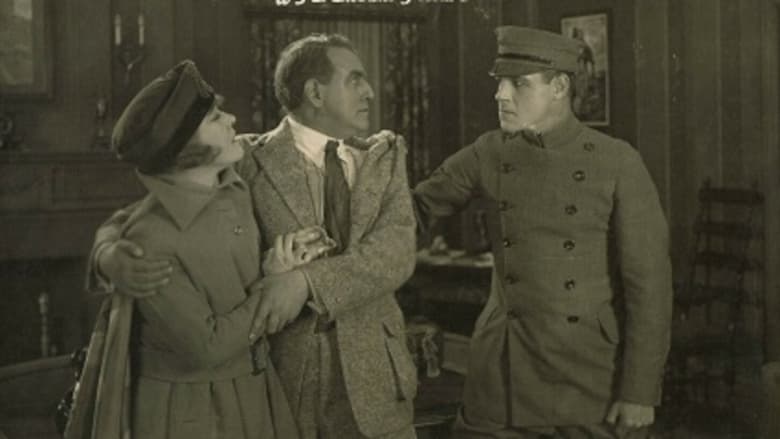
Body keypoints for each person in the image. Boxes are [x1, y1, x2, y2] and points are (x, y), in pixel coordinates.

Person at [88, 34, 418, 439]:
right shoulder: (244, 157)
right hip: (282, 386)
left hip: (377, 386)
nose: (370, 91)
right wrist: (107, 254)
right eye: (355, 79)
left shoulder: (384, 159)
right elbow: (151, 209)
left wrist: (304, 282)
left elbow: (394, 255)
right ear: (315, 93)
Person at [413, 26, 673, 439]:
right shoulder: (490, 152)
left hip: (589, 379)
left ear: (559, 87)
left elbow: (649, 286)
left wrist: (640, 391)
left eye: (519, 83)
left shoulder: (618, 162)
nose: (501, 95)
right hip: (502, 377)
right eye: (500, 82)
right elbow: (415, 210)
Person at [72, 60, 311, 439]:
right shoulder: (148, 244)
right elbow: (208, 347)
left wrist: (104, 249)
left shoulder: (231, 187)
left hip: (254, 393)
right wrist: (274, 286)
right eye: (215, 117)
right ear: (185, 147)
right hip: (193, 413)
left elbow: (127, 215)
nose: (232, 119)